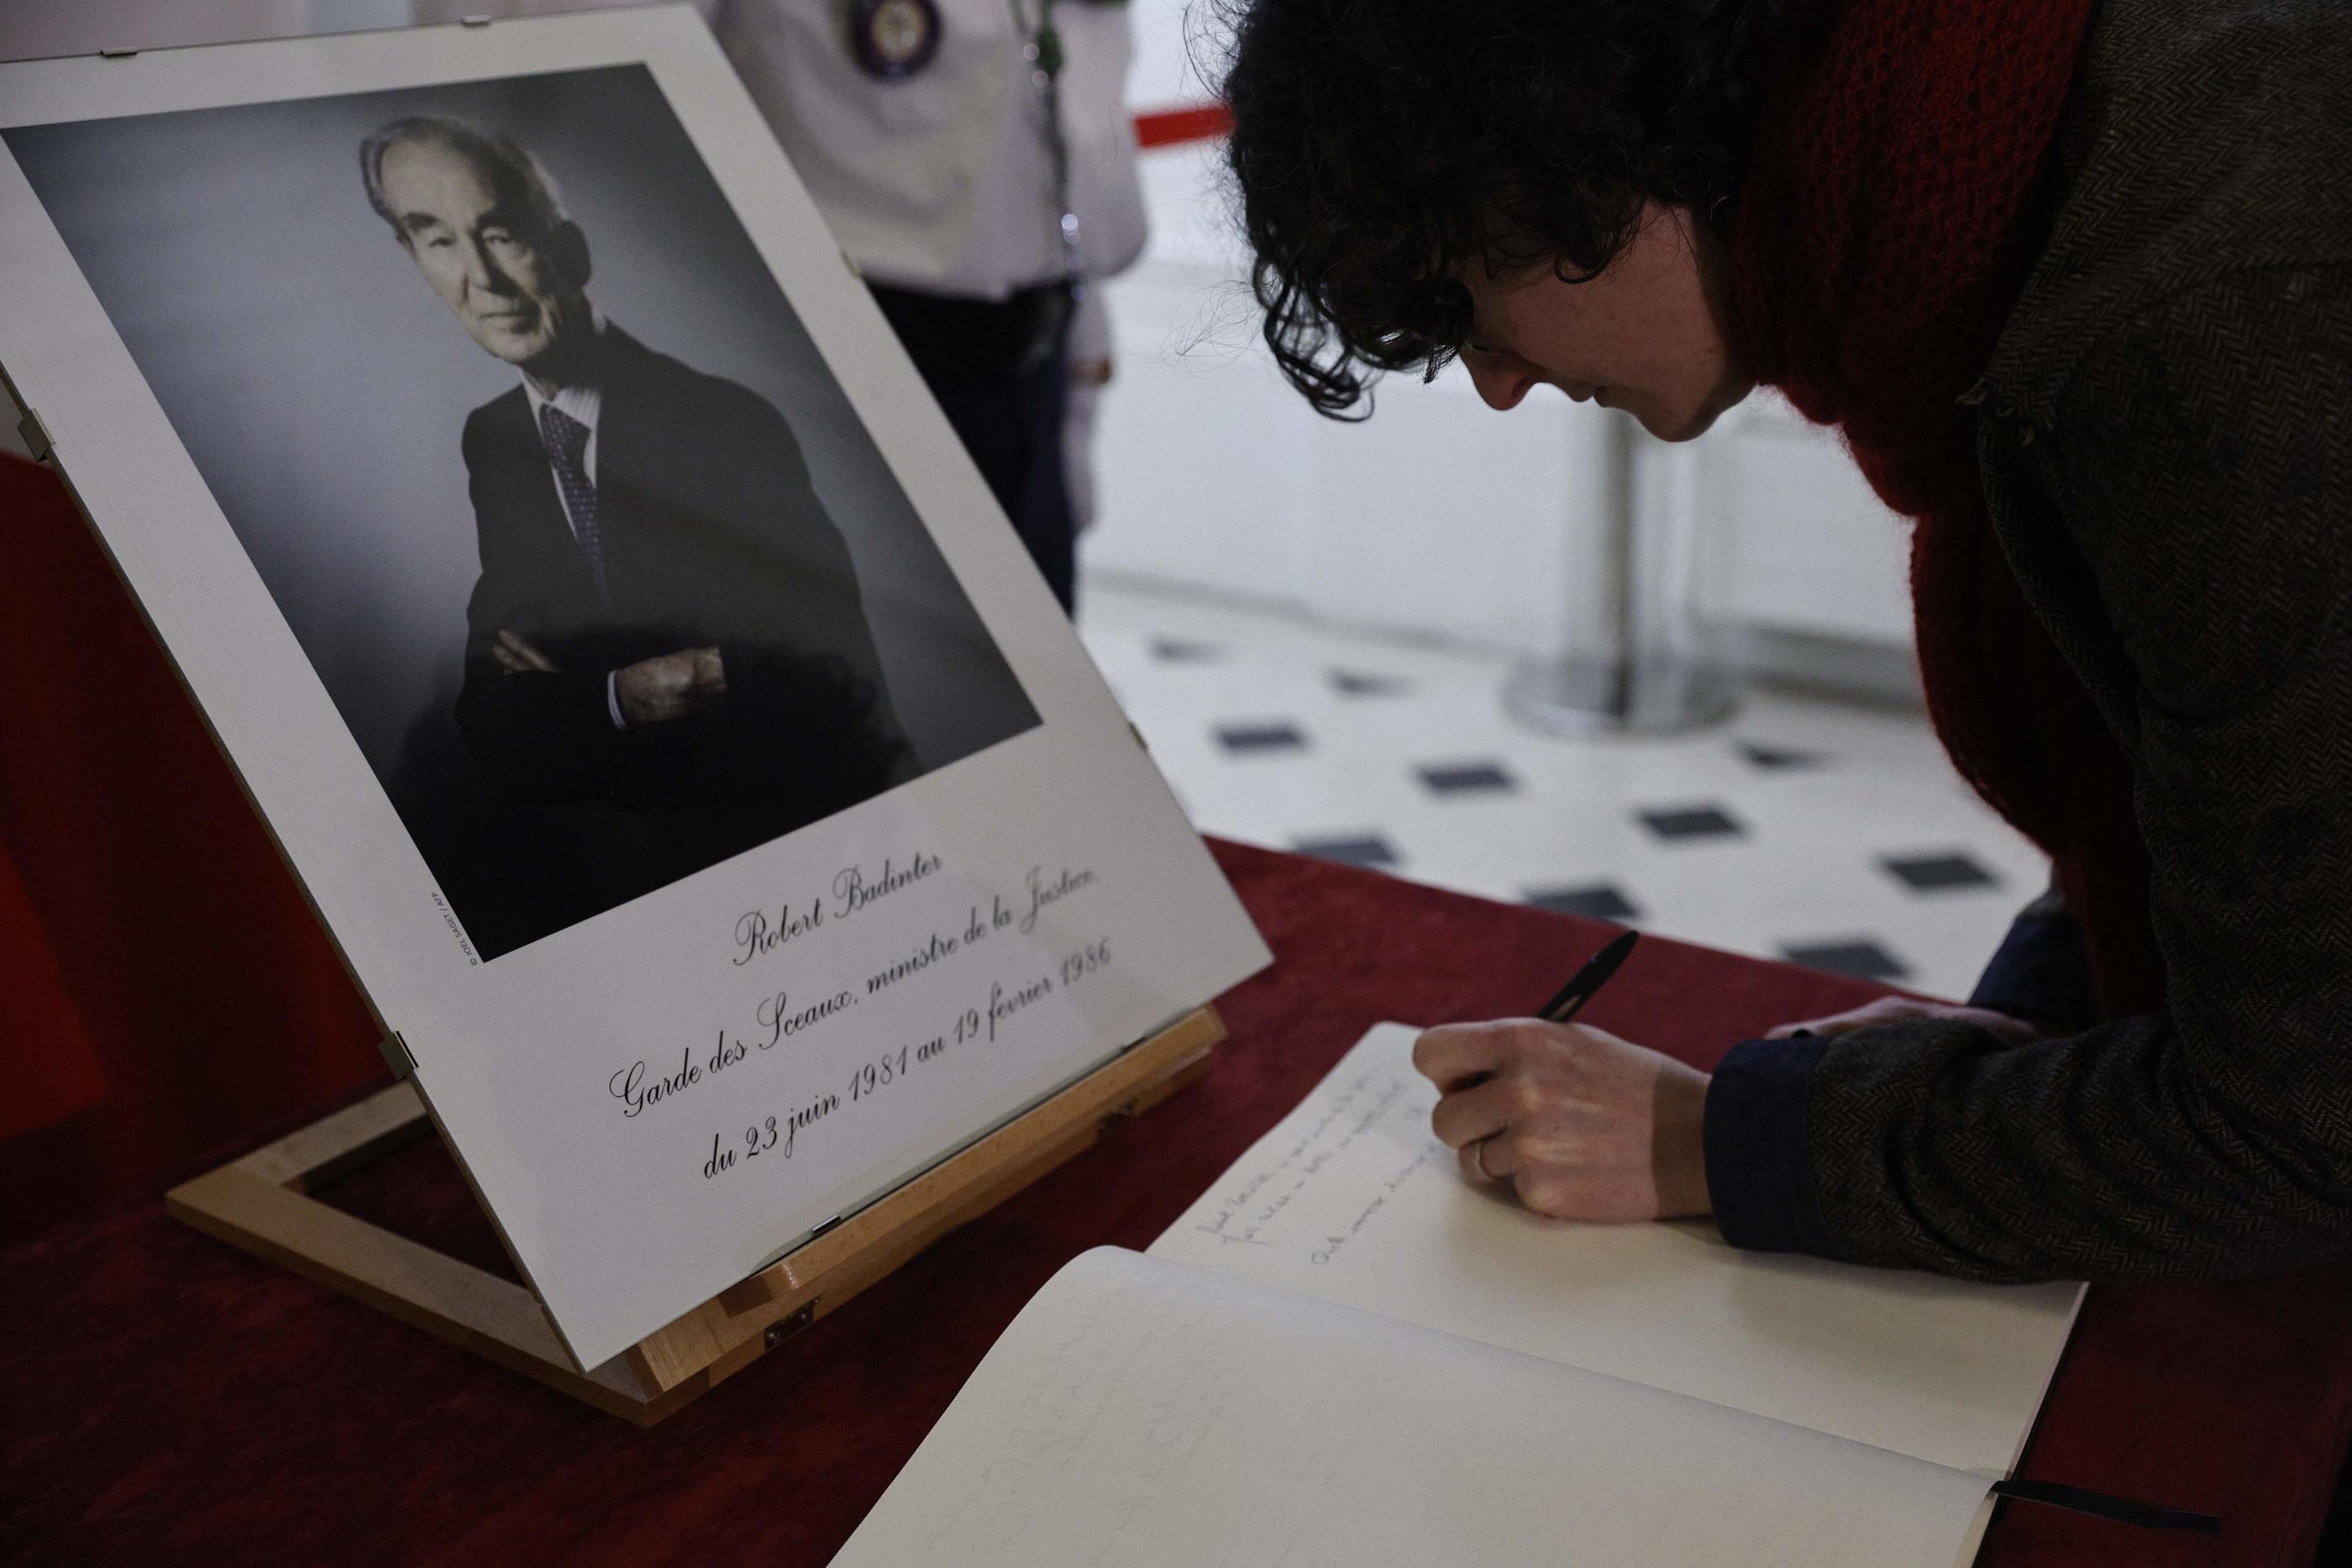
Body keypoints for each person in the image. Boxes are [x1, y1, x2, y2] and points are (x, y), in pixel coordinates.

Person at [1220, 0, 2352, 1282]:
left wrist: (1719, 1136)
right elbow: (2231, 822)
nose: (1493, 379)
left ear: (1568, 154)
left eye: (1462, 294)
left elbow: (2299, 1127)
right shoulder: (2000, 161)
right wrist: (2026, 1028)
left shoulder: (2203, 319)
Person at [363, 115, 912, 890]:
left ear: (571, 247)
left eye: (503, 233)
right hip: (624, 882)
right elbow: (493, 719)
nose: (480, 279)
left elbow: (822, 673)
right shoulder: (494, 440)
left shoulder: (724, 423)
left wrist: (581, 695)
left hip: (802, 867)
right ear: (412, 257)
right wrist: (635, 689)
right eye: (439, 240)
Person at [698, 0, 1148, 611]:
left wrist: (1079, 378)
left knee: (1035, 680)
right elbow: (576, 76)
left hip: (1031, 369)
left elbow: (1063, 125)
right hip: (823, 388)